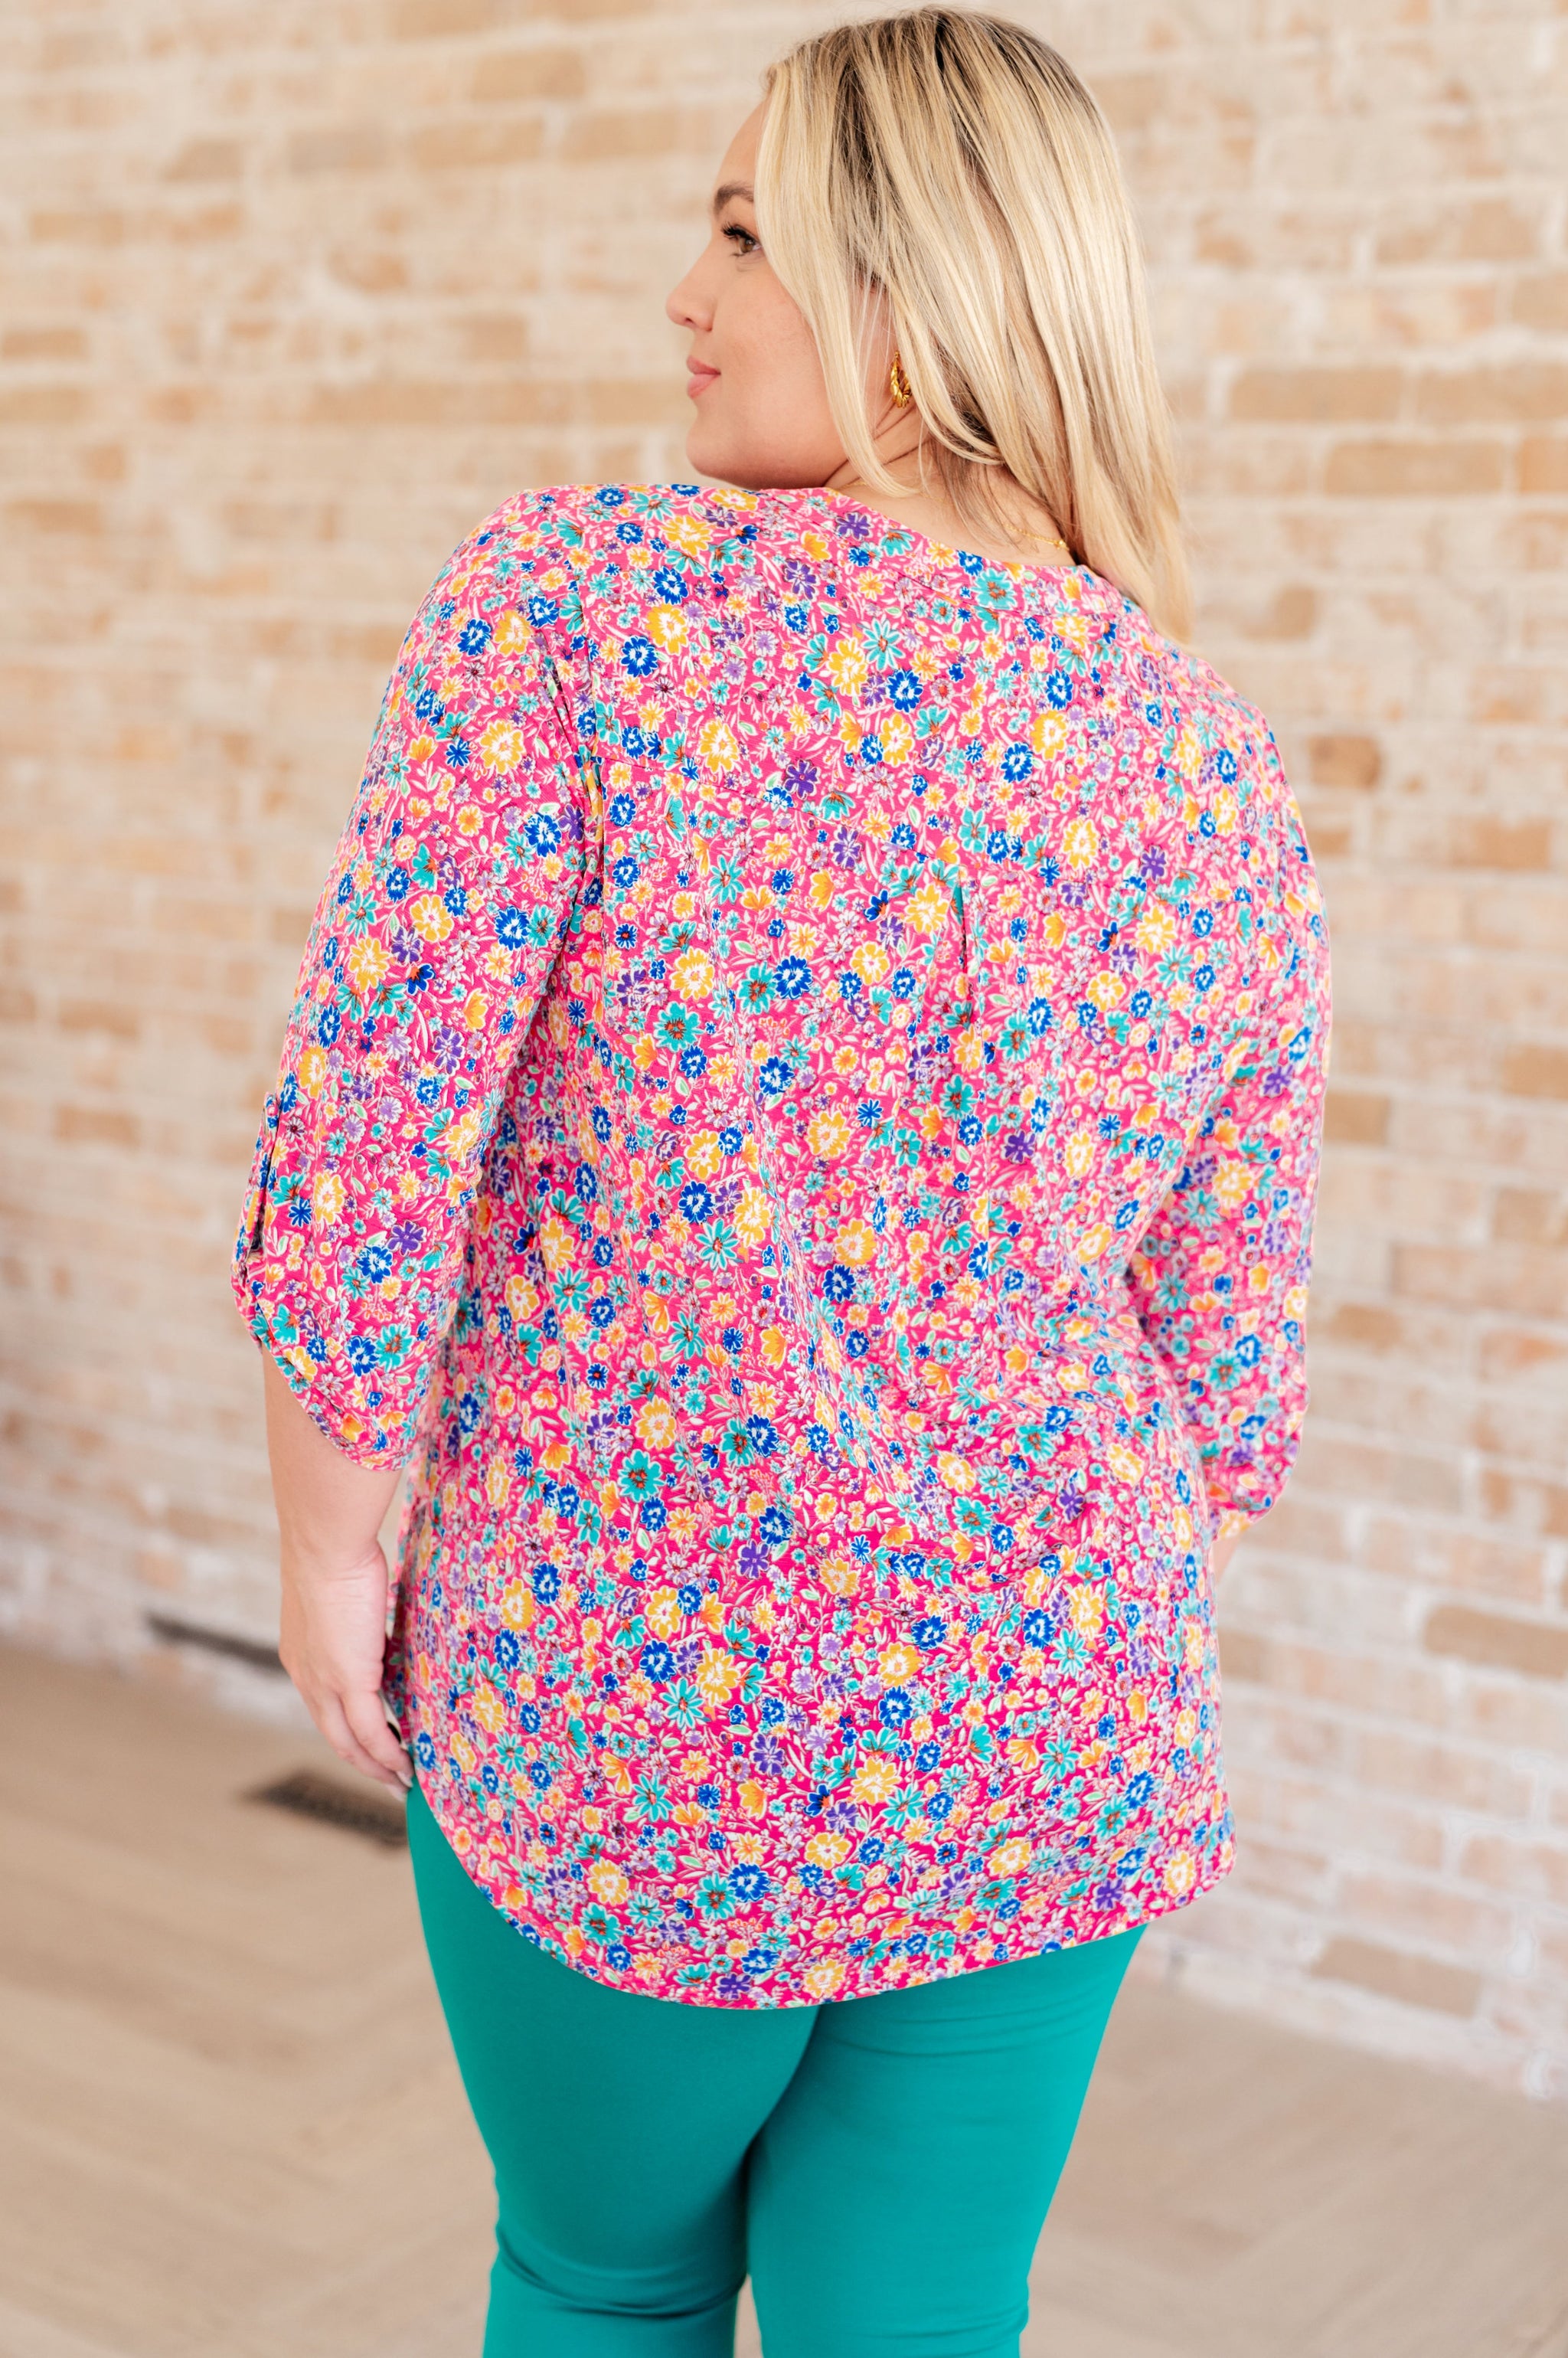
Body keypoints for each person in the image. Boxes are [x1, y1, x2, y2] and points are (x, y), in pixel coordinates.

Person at [235, 11, 1329, 2354]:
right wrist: (994, 1619)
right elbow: (1229, 1385)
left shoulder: (571, 611)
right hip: (1051, 1726)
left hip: (631, 1705)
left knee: (605, 2278)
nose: (689, 291)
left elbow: (365, 1163)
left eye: (746, 232)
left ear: (915, 296)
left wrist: (331, 1557)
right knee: (916, 2313)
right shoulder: (1210, 759)